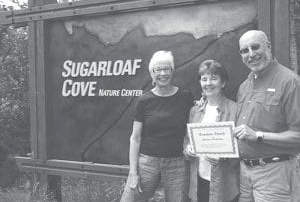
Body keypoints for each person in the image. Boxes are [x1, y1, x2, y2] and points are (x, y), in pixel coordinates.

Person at [233, 30, 300, 202]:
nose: (251, 54)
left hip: (275, 173)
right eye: (245, 51)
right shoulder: (244, 86)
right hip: (245, 174)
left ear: (268, 47)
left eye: (255, 47)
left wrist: (258, 136)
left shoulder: (289, 81)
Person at [120, 50, 193, 202]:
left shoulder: (185, 97)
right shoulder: (144, 100)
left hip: (177, 163)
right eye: (157, 69)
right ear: (152, 74)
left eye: (167, 69)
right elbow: (135, 138)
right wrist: (133, 172)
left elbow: (192, 126)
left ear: (172, 71)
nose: (163, 73)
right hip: (147, 163)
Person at [185, 60, 239, 202]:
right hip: (199, 181)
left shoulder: (235, 110)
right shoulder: (195, 111)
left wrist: (225, 155)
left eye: (214, 78)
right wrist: (188, 149)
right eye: (204, 79)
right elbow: (187, 141)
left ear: (223, 83)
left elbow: (244, 147)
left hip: (224, 185)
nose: (208, 83)